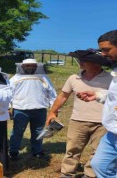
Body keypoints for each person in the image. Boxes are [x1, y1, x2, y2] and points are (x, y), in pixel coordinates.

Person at [46, 49, 112, 178]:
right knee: (72, 150)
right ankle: (67, 173)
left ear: (96, 63)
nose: (80, 62)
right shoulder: (73, 78)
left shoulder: (111, 79)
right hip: (78, 120)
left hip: (102, 123)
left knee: (97, 151)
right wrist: (52, 112)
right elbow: (63, 96)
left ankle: (90, 174)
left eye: (84, 60)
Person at [77, 30, 117, 178]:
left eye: (106, 50)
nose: (103, 54)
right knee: (100, 165)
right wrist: (98, 95)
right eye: (102, 50)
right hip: (112, 131)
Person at [8, 58, 57, 159]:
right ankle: (13, 151)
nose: (30, 67)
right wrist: (8, 107)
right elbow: (8, 94)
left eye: (32, 65)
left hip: (40, 109)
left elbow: (52, 94)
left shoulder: (44, 78)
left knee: (38, 132)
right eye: (27, 65)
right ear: (22, 67)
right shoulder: (15, 79)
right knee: (17, 131)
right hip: (20, 110)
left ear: (36, 66)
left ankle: (37, 151)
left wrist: (54, 110)